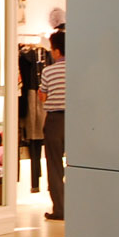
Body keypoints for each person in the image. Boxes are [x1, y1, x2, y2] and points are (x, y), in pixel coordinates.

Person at [36, 29, 67, 221]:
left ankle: (60, 209)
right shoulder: (81, 68)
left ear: (56, 51)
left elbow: (42, 96)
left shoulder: (49, 70)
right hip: (79, 121)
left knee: (55, 166)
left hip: (55, 120)